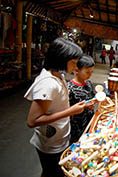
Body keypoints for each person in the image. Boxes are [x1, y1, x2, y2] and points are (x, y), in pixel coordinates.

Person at [24, 37, 86, 177]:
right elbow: (32, 121)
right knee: (52, 173)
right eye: (74, 63)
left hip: (59, 136)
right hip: (50, 143)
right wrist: (70, 112)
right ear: (61, 59)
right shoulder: (48, 84)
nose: (76, 68)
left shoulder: (58, 75)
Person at [68, 55, 96, 144]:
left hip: (89, 121)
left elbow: (92, 98)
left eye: (92, 72)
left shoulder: (89, 83)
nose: (90, 75)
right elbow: (67, 111)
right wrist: (84, 107)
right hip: (76, 126)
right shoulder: (70, 88)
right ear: (76, 70)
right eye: (87, 72)